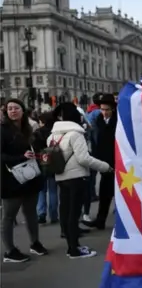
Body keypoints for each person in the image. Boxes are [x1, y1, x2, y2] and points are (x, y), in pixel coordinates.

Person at [49, 102, 111, 259]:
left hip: (61, 176)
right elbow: (84, 158)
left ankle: (71, 246)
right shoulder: (76, 134)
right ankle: (74, 248)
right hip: (77, 177)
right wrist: (105, 167)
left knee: (65, 210)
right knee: (74, 213)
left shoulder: (53, 135)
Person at [1, 99, 48, 262]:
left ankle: (35, 243)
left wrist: (42, 155)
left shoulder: (29, 128)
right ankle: (9, 251)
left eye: (16, 108)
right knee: (8, 216)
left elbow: (38, 147)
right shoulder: (2, 130)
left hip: (31, 177)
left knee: (31, 213)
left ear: (23, 110)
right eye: (9, 109)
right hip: (11, 180)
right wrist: (21, 157)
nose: (12, 111)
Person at [82, 94, 117, 230]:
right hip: (103, 162)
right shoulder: (98, 119)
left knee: (119, 193)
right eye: (102, 109)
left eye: (107, 109)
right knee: (104, 192)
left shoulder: (118, 120)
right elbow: (96, 140)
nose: (104, 112)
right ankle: (100, 220)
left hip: (117, 161)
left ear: (113, 109)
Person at [33, 112, 59, 224]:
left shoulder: (37, 133)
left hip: (40, 163)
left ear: (42, 121)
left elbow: (33, 148)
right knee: (53, 191)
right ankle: (53, 215)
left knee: (41, 191)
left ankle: (41, 213)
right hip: (52, 163)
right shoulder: (55, 133)